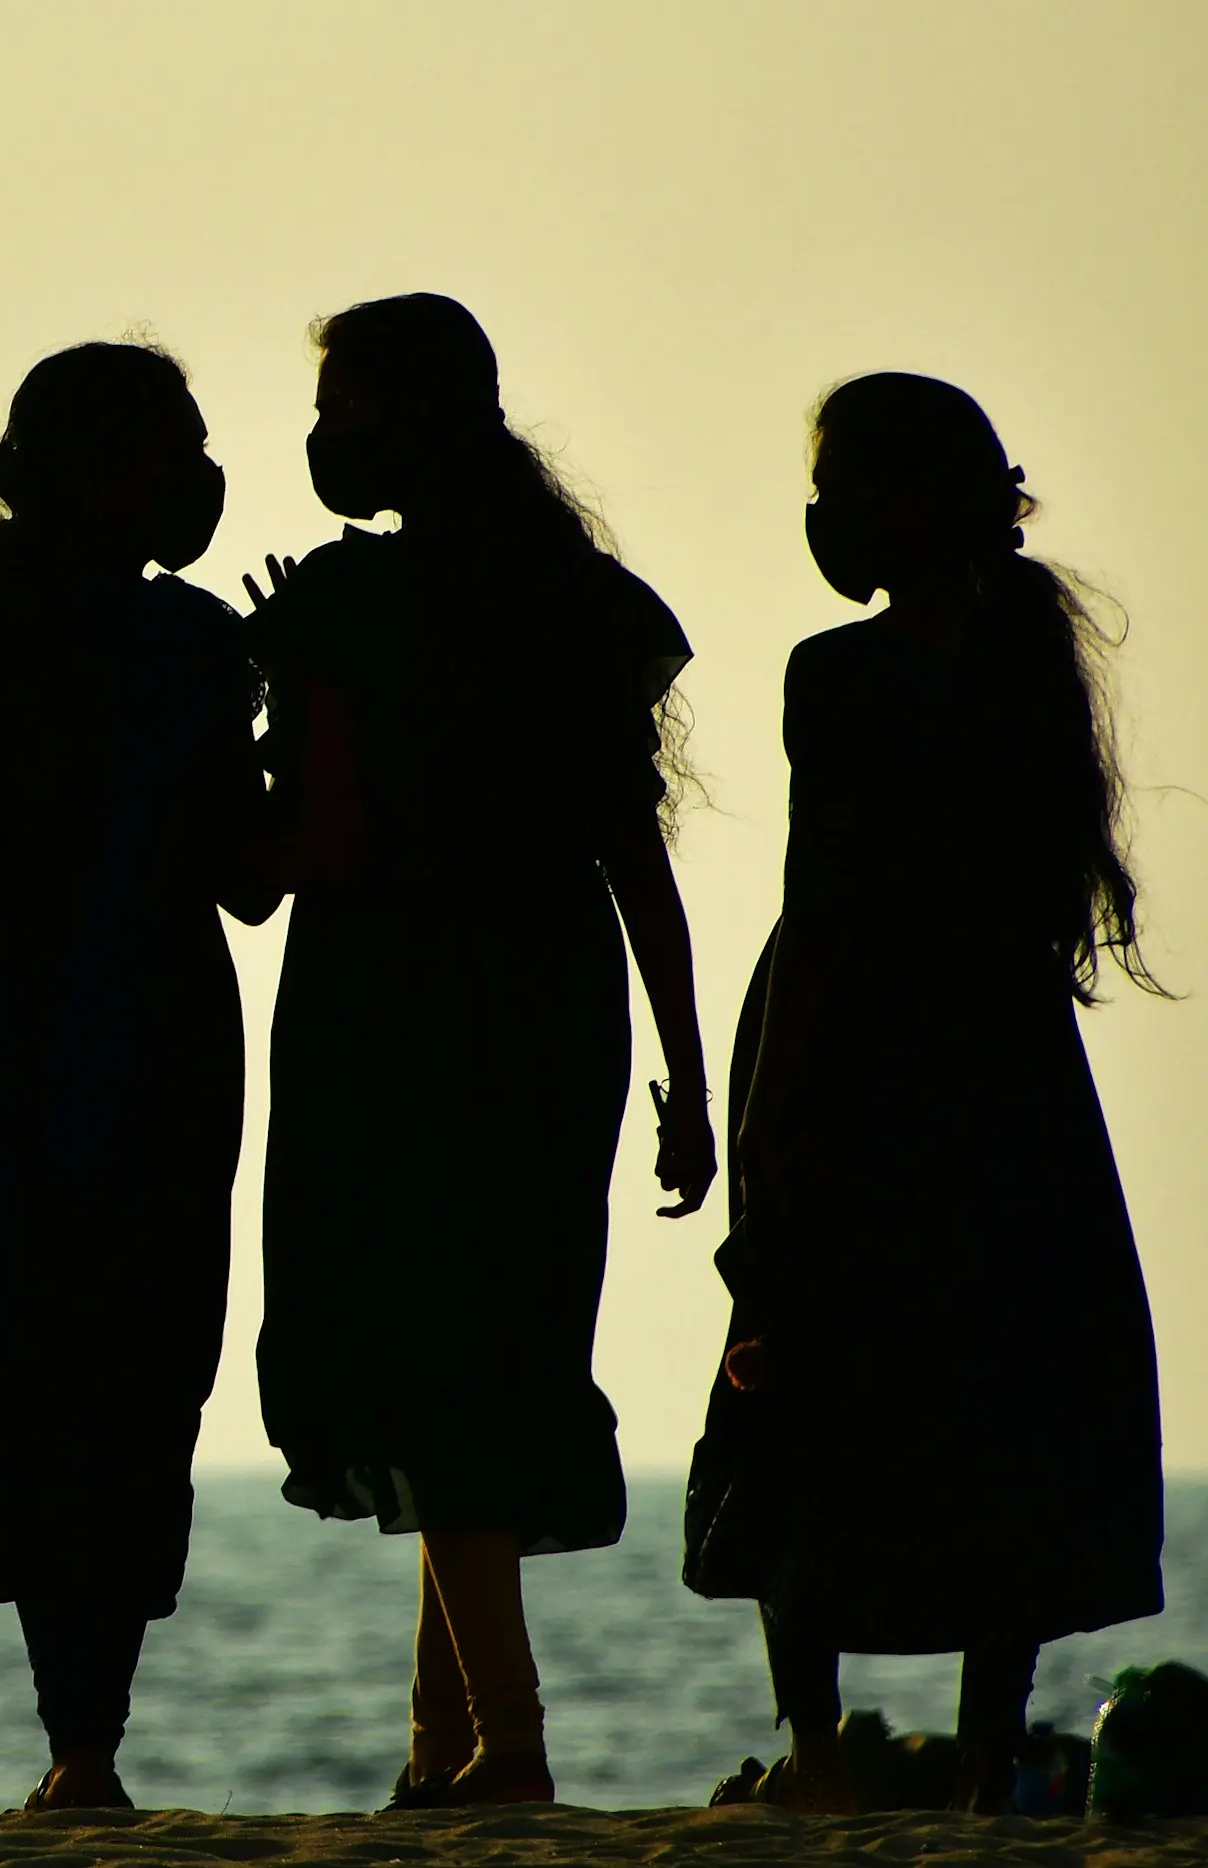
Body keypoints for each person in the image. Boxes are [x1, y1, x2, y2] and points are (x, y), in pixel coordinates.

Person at [243, 293, 717, 1808]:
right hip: (548, 1005)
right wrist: (688, 1072)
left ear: (412, 412)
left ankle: (501, 1743)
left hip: (386, 1004)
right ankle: (438, 1746)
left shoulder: (343, 605)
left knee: (420, 1366)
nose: (324, 434)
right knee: (496, 1357)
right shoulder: (578, 599)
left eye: (344, 404)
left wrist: (250, 701)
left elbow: (289, 851)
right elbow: (629, 853)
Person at [684, 372, 1164, 1815]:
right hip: (1009, 1082)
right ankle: (983, 1757)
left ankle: (818, 1750)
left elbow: (822, 909)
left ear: (905, 500)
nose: (822, 513)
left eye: (838, 483)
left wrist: (769, 1114)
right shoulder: (1028, 660)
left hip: (861, 1068)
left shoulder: (840, 676)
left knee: (804, 1388)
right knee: (1000, 1396)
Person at [0, 340, 276, 1810]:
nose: (203, 482)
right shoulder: (192, 649)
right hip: (140, 1048)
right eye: (176, 455)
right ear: (100, 472)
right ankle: (87, 1747)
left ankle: (74, 1749)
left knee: (21, 1381)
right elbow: (249, 879)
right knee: (131, 1389)